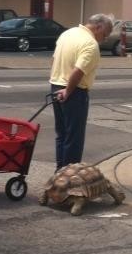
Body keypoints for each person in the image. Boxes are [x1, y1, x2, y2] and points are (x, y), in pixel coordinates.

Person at [49, 13, 114, 169]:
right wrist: (68, 91)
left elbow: (54, 59)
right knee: (74, 137)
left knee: (62, 134)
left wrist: (59, 85)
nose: (103, 39)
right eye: (104, 35)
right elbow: (78, 71)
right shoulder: (90, 44)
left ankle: (60, 172)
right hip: (73, 91)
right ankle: (69, 176)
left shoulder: (67, 34)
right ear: (98, 27)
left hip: (55, 85)